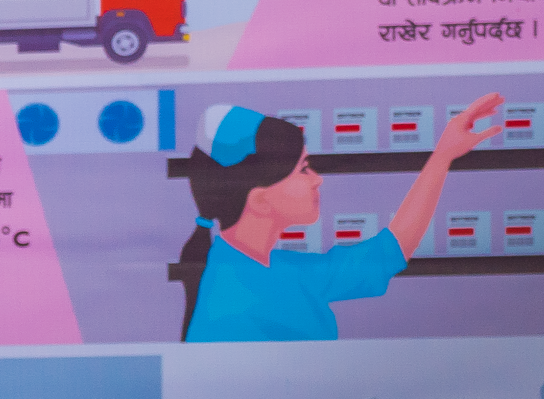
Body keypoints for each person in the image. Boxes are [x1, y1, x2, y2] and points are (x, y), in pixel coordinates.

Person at [172, 94, 502, 342]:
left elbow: (388, 252)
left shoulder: (272, 268)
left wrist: (443, 154)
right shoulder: (230, 310)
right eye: (303, 169)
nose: (318, 179)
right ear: (259, 200)